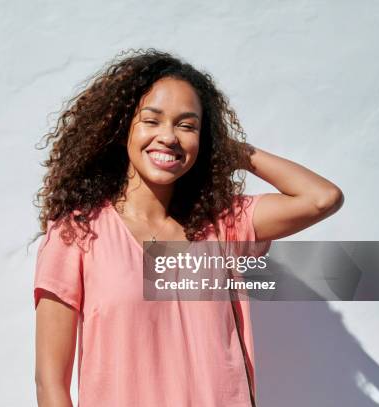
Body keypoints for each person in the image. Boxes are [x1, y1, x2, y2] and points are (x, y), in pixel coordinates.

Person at [31, 48, 343, 407]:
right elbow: (50, 383)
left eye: (187, 125)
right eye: (152, 120)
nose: (169, 137)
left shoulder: (221, 225)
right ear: (122, 130)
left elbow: (322, 198)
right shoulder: (77, 234)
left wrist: (234, 152)